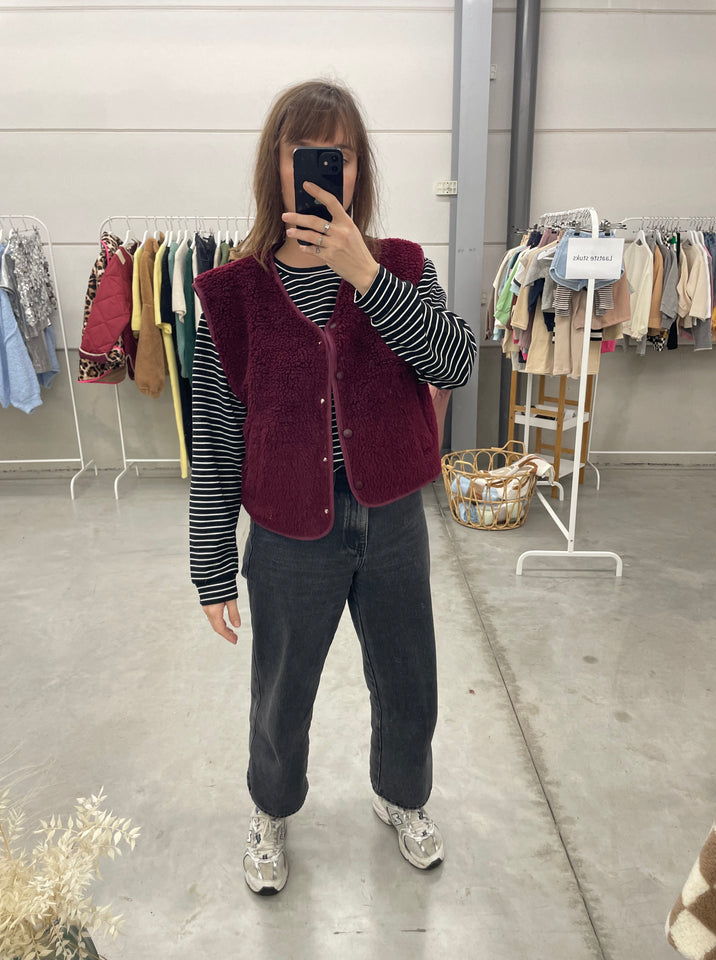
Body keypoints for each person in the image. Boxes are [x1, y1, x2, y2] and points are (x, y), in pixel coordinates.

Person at [190, 79, 477, 895]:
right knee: (282, 690)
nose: (326, 168)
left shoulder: (404, 267)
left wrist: (369, 278)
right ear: (276, 167)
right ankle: (272, 807)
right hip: (288, 532)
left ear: (359, 170)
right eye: (307, 151)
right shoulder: (233, 294)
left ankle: (402, 796)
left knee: (408, 678)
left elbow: (456, 363)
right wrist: (211, 567)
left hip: (392, 521)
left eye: (341, 154)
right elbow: (216, 439)